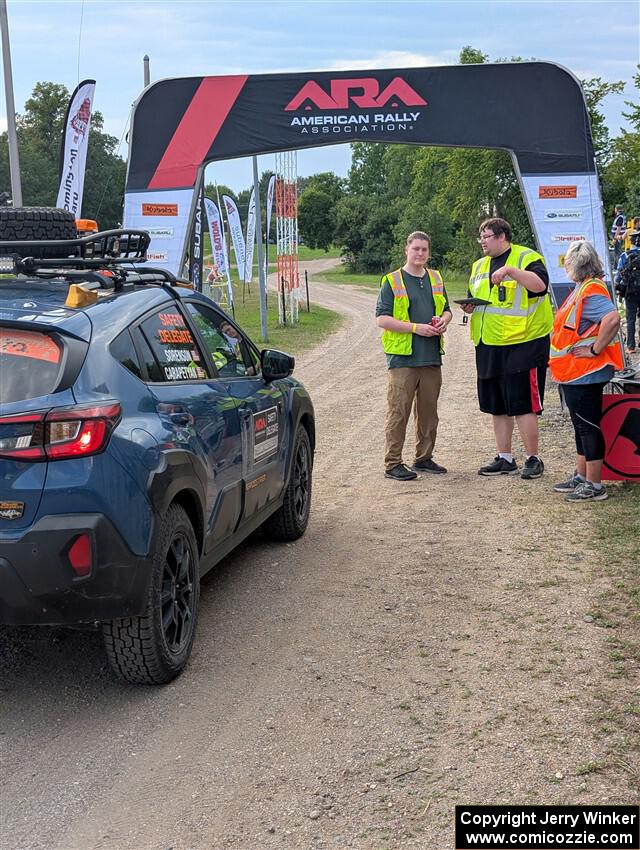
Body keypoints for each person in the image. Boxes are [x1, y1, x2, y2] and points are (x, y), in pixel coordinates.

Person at [463, 218, 553, 479]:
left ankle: (533, 459)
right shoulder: (478, 266)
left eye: (487, 235)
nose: (482, 240)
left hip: (524, 343)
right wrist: (469, 306)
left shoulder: (527, 257)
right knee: (497, 404)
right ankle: (505, 458)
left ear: (502, 236)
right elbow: (479, 298)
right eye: (480, 235)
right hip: (488, 343)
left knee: (523, 403)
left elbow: (541, 286)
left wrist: (512, 272)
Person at [549, 240, 623, 501]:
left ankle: (594, 484)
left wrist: (594, 349)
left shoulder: (590, 290)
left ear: (573, 264)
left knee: (588, 426)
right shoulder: (584, 288)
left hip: (585, 371)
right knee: (581, 425)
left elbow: (613, 318)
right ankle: (583, 476)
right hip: (576, 371)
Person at [376, 231, 452, 480]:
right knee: (399, 412)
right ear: (406, 250)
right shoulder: (392, 280)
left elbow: (448, 310)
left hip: (431, 356)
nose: (420, 253)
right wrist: (415, 328)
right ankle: (393, 463)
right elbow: (382, 319)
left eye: (424, 250)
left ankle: (424, 458)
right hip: (403, 359)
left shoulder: (436, 278)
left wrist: (443, 321)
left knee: (429, 413)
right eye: (416, 249)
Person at [615, 230, 640, 354]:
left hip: (630, 292)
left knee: (631, 319)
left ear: (630, 241)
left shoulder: (625, 256)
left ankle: (631, 347)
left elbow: (619, 275)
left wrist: (616, 286)